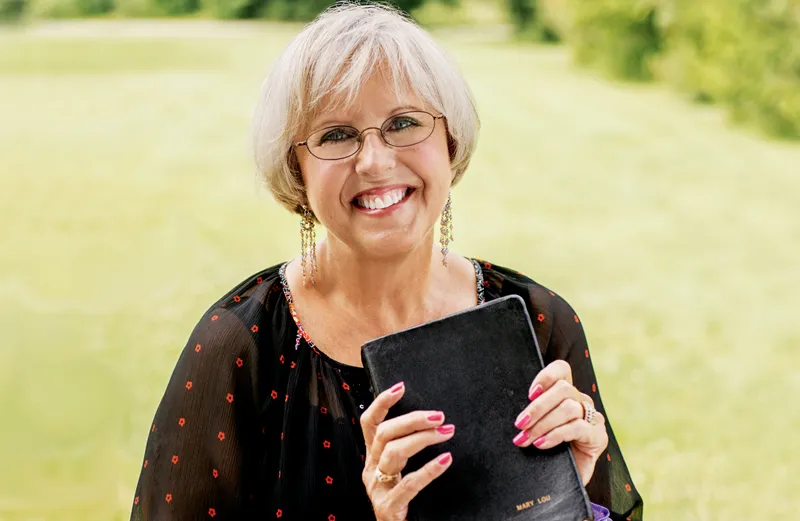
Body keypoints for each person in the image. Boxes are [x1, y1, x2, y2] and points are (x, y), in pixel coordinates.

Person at [129, 3, 644, 520]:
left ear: (450, 142)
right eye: (336, 135)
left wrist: (567, 504)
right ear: (297, 169)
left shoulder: (538, 322)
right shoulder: (241, 346)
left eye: (402, 123)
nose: (374, 161)